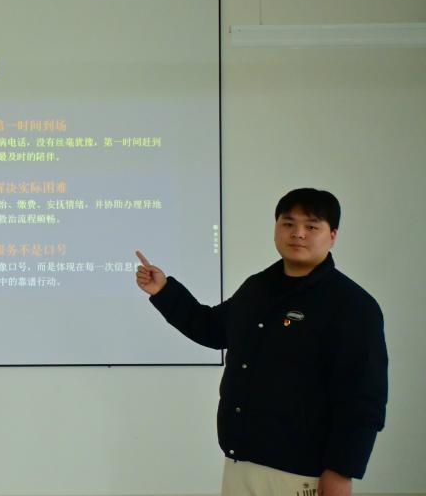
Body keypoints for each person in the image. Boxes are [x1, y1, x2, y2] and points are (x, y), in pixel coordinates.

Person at [135, 188, 387, 496]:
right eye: (288, 223)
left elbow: (363, 398)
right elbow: (212, 329)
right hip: (241, 462)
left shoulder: (353, 305)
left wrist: (342, 471)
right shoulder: (257, 288)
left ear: (332, 235)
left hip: (303, 472)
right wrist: (164, 291)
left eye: (311, 226)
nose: (298, 234)